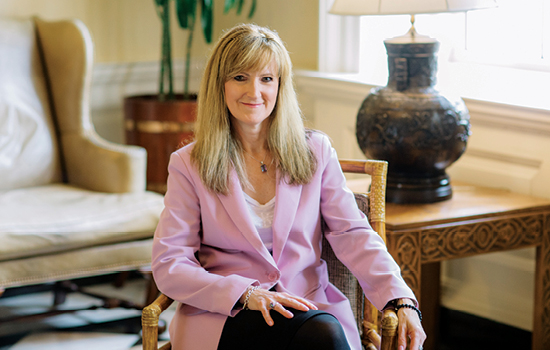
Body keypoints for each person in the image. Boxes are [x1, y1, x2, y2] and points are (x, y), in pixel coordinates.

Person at [151, 23, 426, 350]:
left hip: (308, 307)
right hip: (226, 314)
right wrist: (246, 294)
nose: (255, 92)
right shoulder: (188, 163)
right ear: (219, 85)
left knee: (320, 333)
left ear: (281, 86)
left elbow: (353, 234)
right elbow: (170, 263)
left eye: (266, 79)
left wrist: (400, 299)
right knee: (319, 336)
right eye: (240, 77)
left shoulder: (316, 151)